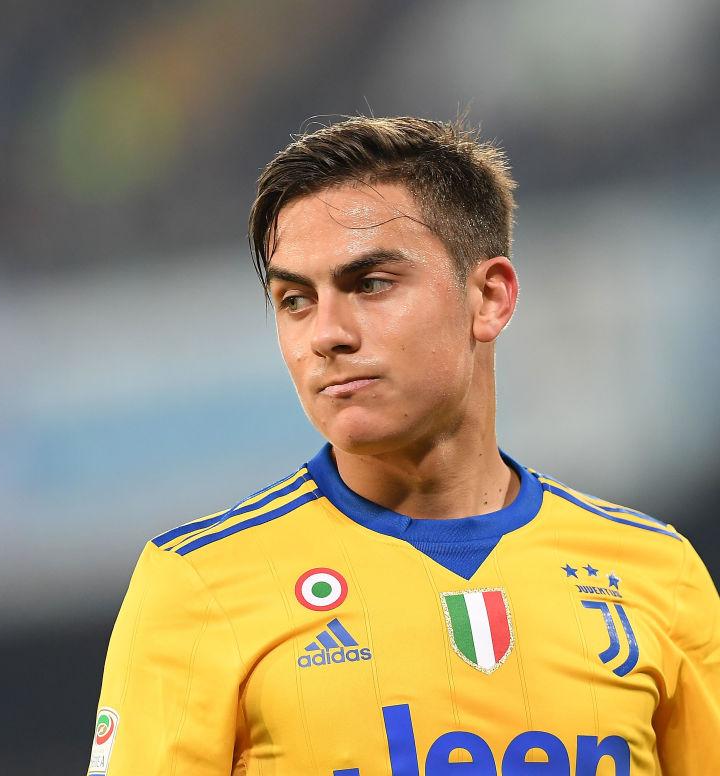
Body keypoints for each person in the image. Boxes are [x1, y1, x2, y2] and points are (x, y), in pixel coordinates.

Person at [86, 116, 720, 775]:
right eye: (295, 299)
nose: (326, 334)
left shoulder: (658, 576)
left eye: (371, 284)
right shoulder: (199, 584)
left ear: (490, 297)